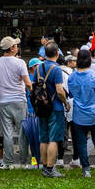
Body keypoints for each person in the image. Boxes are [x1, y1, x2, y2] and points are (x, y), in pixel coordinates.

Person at [0, 37, 30, 169]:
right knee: (22, 133)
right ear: (12, 48)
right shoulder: (20, 63)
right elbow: (27, 83)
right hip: (19, 101)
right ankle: (23, 163)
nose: (17, 47)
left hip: (3, 101)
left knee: (7, 133)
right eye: (16, 45)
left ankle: (8, 162)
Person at [68, 47, 95, 177]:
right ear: (90, 61)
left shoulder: (72, 77)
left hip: (79, 114)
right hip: (94, 113)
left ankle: (86, 169)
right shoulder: (94, 76)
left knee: (81, 143)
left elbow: (71, 93)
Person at [35, 43, 69, 178]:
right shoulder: (56, 69)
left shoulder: (38, 67)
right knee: (54, 139)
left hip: (41, 107)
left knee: (43, 138)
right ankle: (50, 168)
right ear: (57, 53)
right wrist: (65, 103)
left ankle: (44, 166)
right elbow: (60, 90)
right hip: (55, 107)